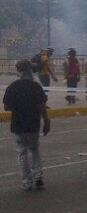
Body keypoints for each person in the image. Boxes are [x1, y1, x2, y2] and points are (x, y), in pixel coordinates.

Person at [3, 60, 51, 191]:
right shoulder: (35, 86)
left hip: (18, 124)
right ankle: (38, 177)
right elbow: (41, 106)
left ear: (18, 71)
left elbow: (7, 107)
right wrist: (46, 121)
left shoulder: (12, 87)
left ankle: (27, 182)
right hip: (33, 123)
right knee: (34, 149)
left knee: (22, 152)